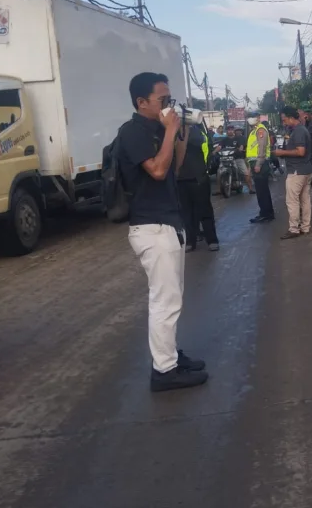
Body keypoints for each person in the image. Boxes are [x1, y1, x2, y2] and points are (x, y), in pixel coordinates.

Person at [117, 72, 207, 392]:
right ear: (142, 102)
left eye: (170, 99)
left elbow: (174, 166)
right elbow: (156, 170)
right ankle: (164, 370)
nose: (168, 105)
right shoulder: (132, 132)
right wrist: (169, 130)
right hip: (151, 226)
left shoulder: (159, 130)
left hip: (168, 223)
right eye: (163, 100)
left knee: (172, 298)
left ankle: (169, 355)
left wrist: (179, 131)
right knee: (164, 301)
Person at [178, 123, 220, 252]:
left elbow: (198, 141)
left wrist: (183, 130)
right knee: (186, 213)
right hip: (180, 179)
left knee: (205, 210)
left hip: (199, 178)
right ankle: (191, 240)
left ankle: (212, 240)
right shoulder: (170, 132)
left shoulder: (196, 131)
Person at [275, 106, 312, 238]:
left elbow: (300, 151)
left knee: (292, 201)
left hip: (297, 171)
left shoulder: (298, 131)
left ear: (291, 118)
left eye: (285, 120)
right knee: (305, 199)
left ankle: (294, 229)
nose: (284, 122)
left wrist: (282, 152)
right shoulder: (299, 130)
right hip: (305, 169)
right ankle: (305, 227)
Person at [246, 111, 275, 223]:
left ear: (258, 118)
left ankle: (266, 213)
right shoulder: (254, 130)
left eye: (252, 117)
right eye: (249, 117)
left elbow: (262, 148)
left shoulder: (260, 130)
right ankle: (266, 212)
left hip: (260, 164)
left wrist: (258, 164)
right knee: (262, 190)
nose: (250, 119)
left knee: (262, 190)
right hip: (256, 163)